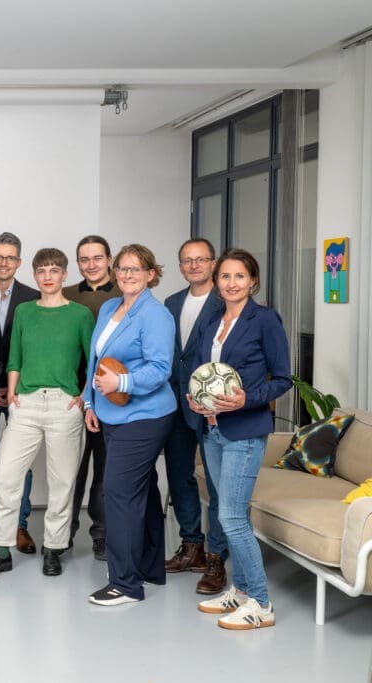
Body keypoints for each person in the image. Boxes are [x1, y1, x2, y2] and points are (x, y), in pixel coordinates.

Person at [0, 249, 92, 579]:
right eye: (41, 270)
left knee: (62, 482)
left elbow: (93, 359)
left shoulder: (80, 314)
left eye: (54, 270)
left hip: (63, 404)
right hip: (25, 402)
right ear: (35, 274)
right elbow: (15, 357)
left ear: (64, 275)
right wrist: (13, 392)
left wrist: (84, 396)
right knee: (5, 477)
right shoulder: (25, 311)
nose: (47, 276)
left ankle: (53, 549)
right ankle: (1, 551)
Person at [191, 249, 291, 630]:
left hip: (245, 431)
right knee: (230, 511)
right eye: (225, 277)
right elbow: (205, 372)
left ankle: (261, 603)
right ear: (216, 282)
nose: (231, 283)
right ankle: (242, 589)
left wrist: (246, 399)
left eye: (239, 276)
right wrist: (196, 399)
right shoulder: (214, 320)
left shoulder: (264, 320)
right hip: (213, 429)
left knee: (231, 517)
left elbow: (282, 379)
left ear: (253, 281)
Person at [83, 244, 176, 606]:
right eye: (122, 268)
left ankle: (125, 584)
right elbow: (96, 359)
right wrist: (91, 400)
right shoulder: (110, 307)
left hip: (147, 416)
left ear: (151, 273)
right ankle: (151, 569)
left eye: (136, 269)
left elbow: (159, 369)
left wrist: (120, 385)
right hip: (111, 414)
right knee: (144, 491)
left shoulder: (156, 315)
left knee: (118, 492)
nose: (127, 274)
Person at [162, 238, 229, 594]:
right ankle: (192, 547)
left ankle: (217, 558)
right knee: (178, 474)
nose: (194, 266)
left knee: (217, 481)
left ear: (212, 262)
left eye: (200, 259)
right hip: (176, 402)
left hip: (214, 406)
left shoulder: (226, 301)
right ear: (180, 265)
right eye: (187, 260)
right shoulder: (172, 302)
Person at [0, 232, 40, 553]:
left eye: (10, 257)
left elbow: (34, 350)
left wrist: (12, 387)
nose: (4, 262)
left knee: (21, 462)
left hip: (21, 393)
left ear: (19, 262)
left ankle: (20, 525)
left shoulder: (33, 297)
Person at [62, 235, 120, 561]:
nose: (91, 264)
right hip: (72, 394)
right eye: (84, 259)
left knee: (105, 467)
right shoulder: (66, 295)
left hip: (111, 395)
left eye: (97, 258)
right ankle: (63, 532)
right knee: (70, 467)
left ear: (109, 259)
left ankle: (101, 533)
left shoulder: (125, 293)